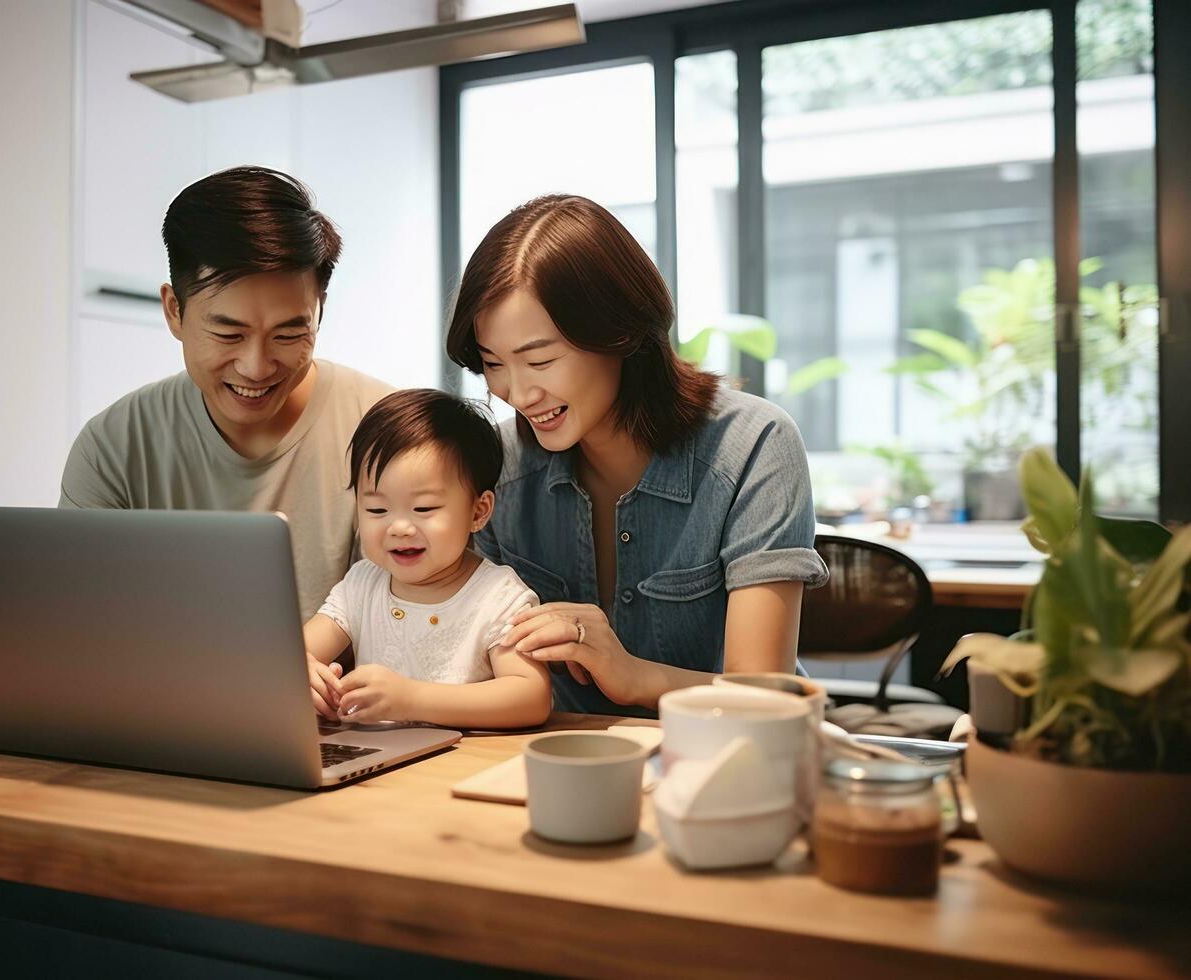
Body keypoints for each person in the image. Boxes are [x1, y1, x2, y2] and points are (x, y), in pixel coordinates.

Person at [445, 194, 828, 718]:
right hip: (556, 760)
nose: (518, 391)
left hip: (731, 764)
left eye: (541, 359)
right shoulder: (501, 466)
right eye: (493, 364)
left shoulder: (753, 445)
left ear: (620, 333)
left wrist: (634, 676)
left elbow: (763, 696)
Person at [59, 167, 391, 620]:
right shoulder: (114, 447)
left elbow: (416, 627)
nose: (256, 367)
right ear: (174, 310)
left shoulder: (390, 433)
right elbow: (77, 623)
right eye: (229, 334)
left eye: (287, 334)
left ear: (319, 312)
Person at [303, 389, 551, 729]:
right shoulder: (362, 584)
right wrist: (304, 673)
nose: (400, 527)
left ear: (478, 512)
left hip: (460, 767)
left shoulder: (499, 597)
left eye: (424, 509)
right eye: (377, 509)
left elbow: (531, 697)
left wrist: (411, 699)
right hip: (377, 763)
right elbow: (288, 655)